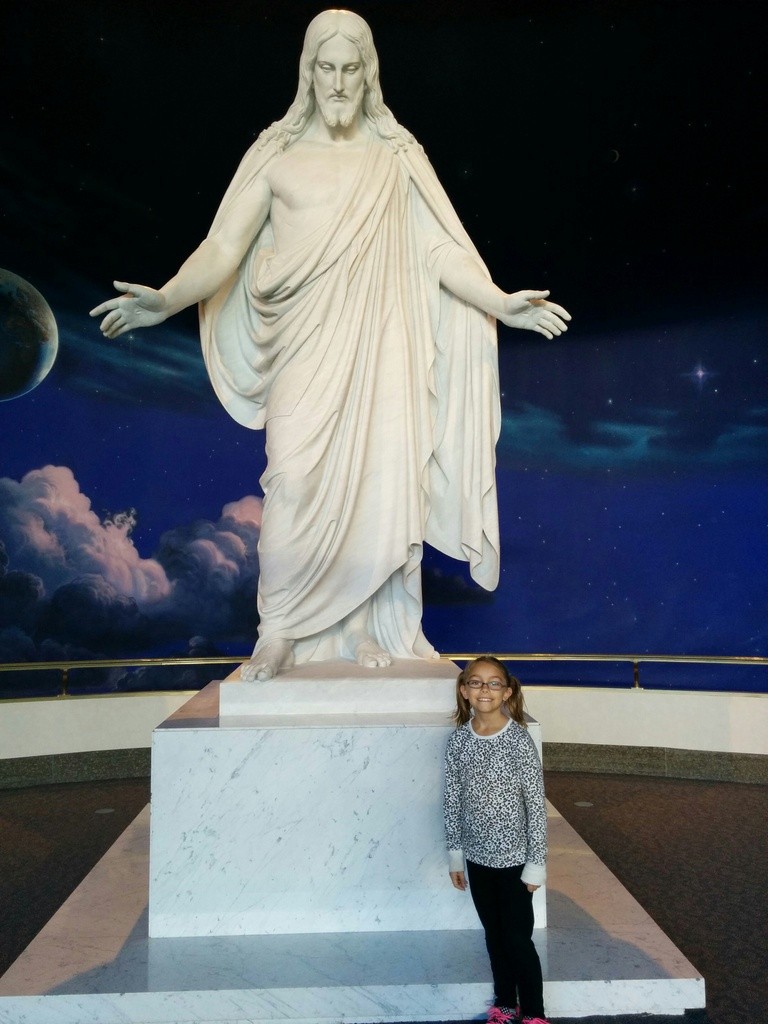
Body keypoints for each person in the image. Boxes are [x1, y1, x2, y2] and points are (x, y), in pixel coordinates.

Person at [90, 10, 571, 681]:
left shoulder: (396, 159)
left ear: (368, 75)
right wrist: (167, 298)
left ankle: (373, 627)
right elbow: (224, 246)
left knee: (381, 485)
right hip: (305, 352)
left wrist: (497, 301)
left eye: (351, 69)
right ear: (308, 73)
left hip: (383, 356)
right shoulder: (277, 156)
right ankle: (279, 631)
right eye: (327, 68)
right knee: (289, 481)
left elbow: (437, 250)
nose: (339, 83)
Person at [443, 656, 549, 1024]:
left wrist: (536, 864)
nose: (484, 689)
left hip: (516, 861)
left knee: (518, 940)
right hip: (476, 858)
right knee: (494, 936)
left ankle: (534, 1012)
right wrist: (456, 855)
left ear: (506, 691)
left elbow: (536, 806)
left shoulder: (519, 740)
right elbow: (452, 800)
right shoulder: (458, 741)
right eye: (476, 682)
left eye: (492, 683)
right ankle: (505, 1003)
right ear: (464, 691)